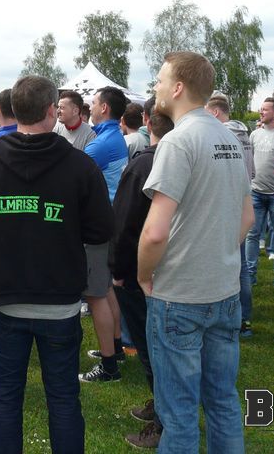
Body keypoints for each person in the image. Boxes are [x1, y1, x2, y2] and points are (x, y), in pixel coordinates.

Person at [0, 75, 113, 454]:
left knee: (7, 398)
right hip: (53, 300)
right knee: (61, 398)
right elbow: (100, 229)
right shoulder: (77, 165)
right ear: (50, 111)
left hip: (11, 298)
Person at [138, 51, 254, 453]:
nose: (155, 87)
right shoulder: (229, 137)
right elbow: (247, 217)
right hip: (224, 290)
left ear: (177, 87)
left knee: (179, 412)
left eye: (159, 79)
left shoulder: (177, 141)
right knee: (222, 400)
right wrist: (216, 252)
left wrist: (143, 275)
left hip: (180, 296)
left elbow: (155, 232)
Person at [110, 96, 173, 448]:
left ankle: (164, 421)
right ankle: (161, 407)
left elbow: (124, 224)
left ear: (146, 120)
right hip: (171, 267)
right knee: (159, 345)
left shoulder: (144, 165)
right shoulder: (179, 158)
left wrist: (118, 270)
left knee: (152, 347)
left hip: (142, 270)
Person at [79, 86, 129, 383]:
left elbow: (73, 177)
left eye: (94, 102)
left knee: (96, 294)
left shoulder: (100, 145)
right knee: (106, 288)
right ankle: (116, 346)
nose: (91, 106)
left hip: (99, 225)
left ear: (105, 108)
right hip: (110, 222)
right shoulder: (113, 137)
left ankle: (109, 366)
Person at [205, 95, 255, 338]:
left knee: (227, 262)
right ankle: (244, 318)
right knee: (241, 264)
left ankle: (231, 316)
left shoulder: (221, 136)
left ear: (215, 112)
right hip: (243, 200)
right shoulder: (245, 135)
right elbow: (252, 171)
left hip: (226, 204)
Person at [245, 97, 274, 288]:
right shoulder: (254, 134)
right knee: (252, 234)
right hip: (255, 191)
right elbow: (249, 161)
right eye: (261, 109)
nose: (261, 112)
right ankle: (250, 275)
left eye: (265, 109)